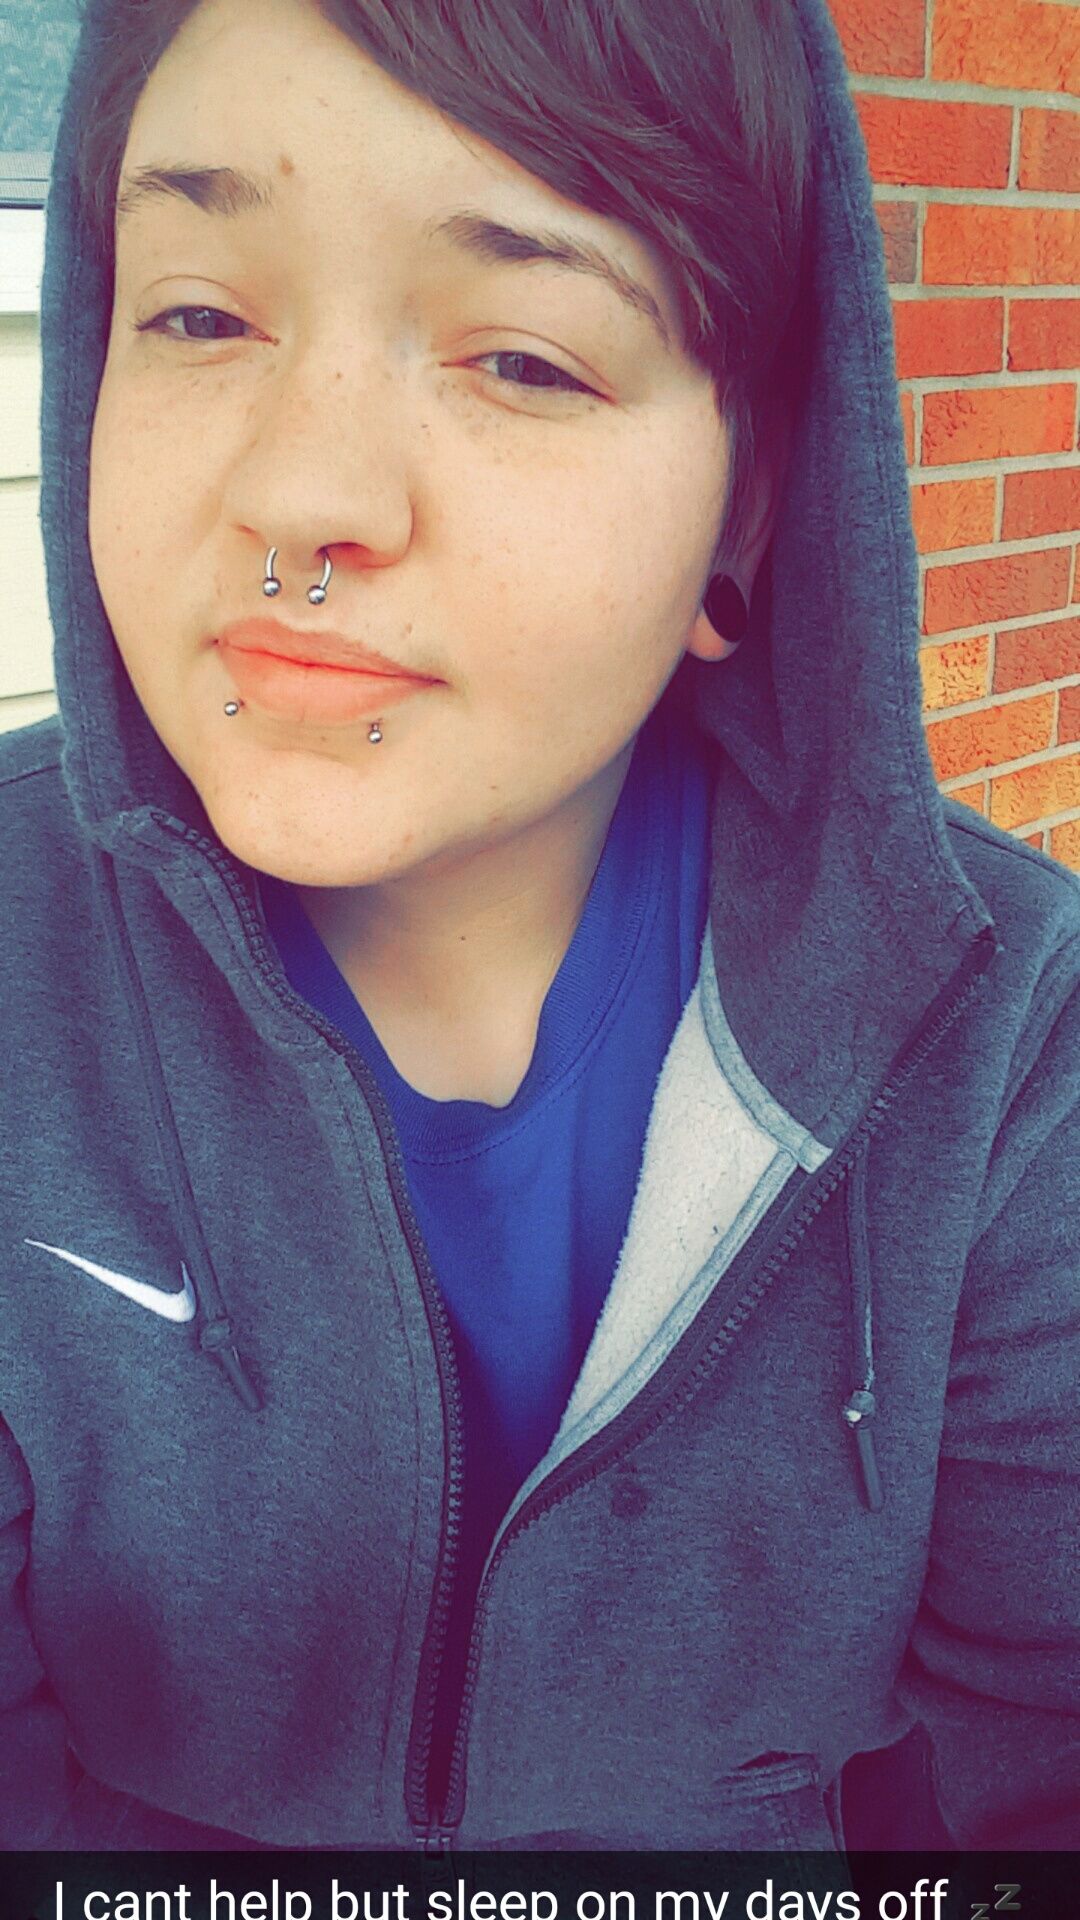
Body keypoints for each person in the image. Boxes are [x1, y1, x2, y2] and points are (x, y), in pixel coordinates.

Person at [0, 0, 1076, 1854]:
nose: (301, 497)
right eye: (198, 317)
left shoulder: (1006, 1043)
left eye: (519, 356)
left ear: (749, 508)